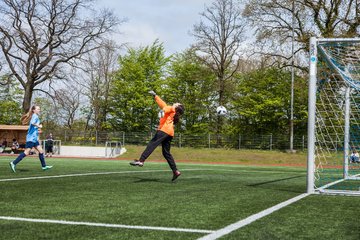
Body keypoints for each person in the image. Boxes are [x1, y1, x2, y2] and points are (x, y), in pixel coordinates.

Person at [130, 90, 185, 181]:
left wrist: (162, 111)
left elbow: (165, 108)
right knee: (166, 153)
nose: (175, 102)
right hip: (170, 133)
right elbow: (163, 104)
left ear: (177, 106)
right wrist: (155, 96)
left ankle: (141, 160)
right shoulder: (172, 110)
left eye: (177, 103)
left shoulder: (172, 108)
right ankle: (175, 171)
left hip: (163, 130)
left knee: (152, 144)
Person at [9, 105, 53, 172]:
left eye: (39, 109)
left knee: (41, 151)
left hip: (34, 139)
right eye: (38, 109)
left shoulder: (36, 116)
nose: (39, 110)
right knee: (26, 153)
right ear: (34, 110)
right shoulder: (35, 116)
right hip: (31, 139)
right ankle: (13, 163)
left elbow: (33, 127)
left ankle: (44, 166)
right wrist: (38, 125)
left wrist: (38, 131)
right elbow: (32, 123)